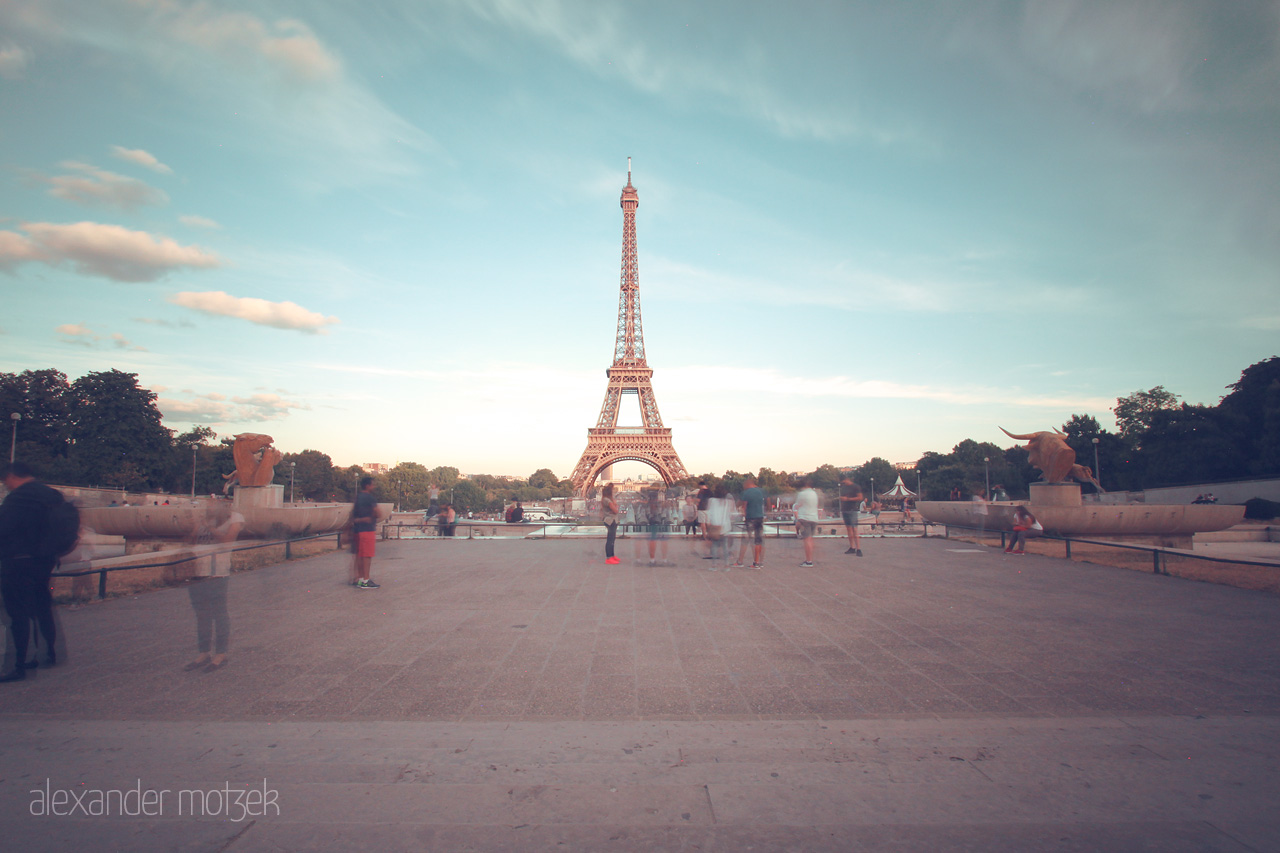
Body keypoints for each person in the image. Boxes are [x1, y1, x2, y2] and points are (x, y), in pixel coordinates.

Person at [0, 462, 67, 682]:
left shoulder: (17, 499)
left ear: (11, 477)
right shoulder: (52, 495)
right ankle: (49, 652)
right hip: (45, 561)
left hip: (18, 562)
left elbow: (4, 529)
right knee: (42, 606)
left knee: (17, 613)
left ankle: (17, 664)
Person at [352, 476, 382, 589]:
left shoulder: (358, 497)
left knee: (360, 555)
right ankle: (366, 580)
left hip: (358, 530)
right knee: (367, 556)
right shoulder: (370, 498)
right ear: (368, 486)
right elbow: (378, 513)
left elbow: (354, 515)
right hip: (368, 529)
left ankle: (360, 579)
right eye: (372, 484)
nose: (373, 486)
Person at [733, 476, 766, 569]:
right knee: (758, 540)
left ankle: (740, 561)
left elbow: (744, 506)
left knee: (745, 540)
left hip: (750, 518)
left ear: (747, 484)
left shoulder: (746, 493)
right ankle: (757, 562)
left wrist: (742, 514)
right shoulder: (759, 492)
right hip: (759, 518)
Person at [793, 476, 819, 567]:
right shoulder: (814, 493)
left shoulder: (802, 494)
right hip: (814, 518)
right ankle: (810, 559)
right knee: (810, 539)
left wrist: (798, 519)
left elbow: (797, 505)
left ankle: (808, 561)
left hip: (805, 518)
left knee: (806, 540)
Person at [838, 474, 863, 556]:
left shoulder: (856, 487)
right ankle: (852, 547)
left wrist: (848, 499)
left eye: (843, 481)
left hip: (852, 510)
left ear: (847, 479)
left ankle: (858, 548)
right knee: (849, 529)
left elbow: (860, 497)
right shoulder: (843, 488)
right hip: (845, 510)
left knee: (854, 529)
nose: (843, 483)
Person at [602, 484, 620, 564]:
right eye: (612, 491)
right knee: (610, 540)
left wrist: (613, 502)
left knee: (612, 540)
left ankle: (612, 556)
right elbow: (616, 510)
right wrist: (615, 508)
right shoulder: (607, 500)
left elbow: (615, 507)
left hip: (612, 521)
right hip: (610, 521)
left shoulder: (607, 499)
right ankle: (609, 558)